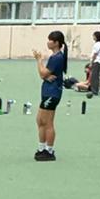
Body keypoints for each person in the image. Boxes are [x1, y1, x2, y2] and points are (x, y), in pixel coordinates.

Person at [32, 30, 67, 161]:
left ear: (56, 43)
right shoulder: (55, 57)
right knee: (40, 120)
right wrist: (45, 76)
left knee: (48, 122)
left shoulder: (56, 58)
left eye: (50, 40)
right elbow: (46, 75)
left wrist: (39, 60)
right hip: (48, 92)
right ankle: (42, 148)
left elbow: (42, 73)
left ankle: (49, 150)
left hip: (52, 93)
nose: (48, 42)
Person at [88, 29, 100, 96]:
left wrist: (91, 62)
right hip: (98, 61)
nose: (93, 37)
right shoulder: (98, 44)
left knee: (94, 76)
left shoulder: (97, 44)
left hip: (97, 61)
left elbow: (95, 54)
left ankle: (94, 90)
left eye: (94, 36)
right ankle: (94, 89)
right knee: (95, 76)